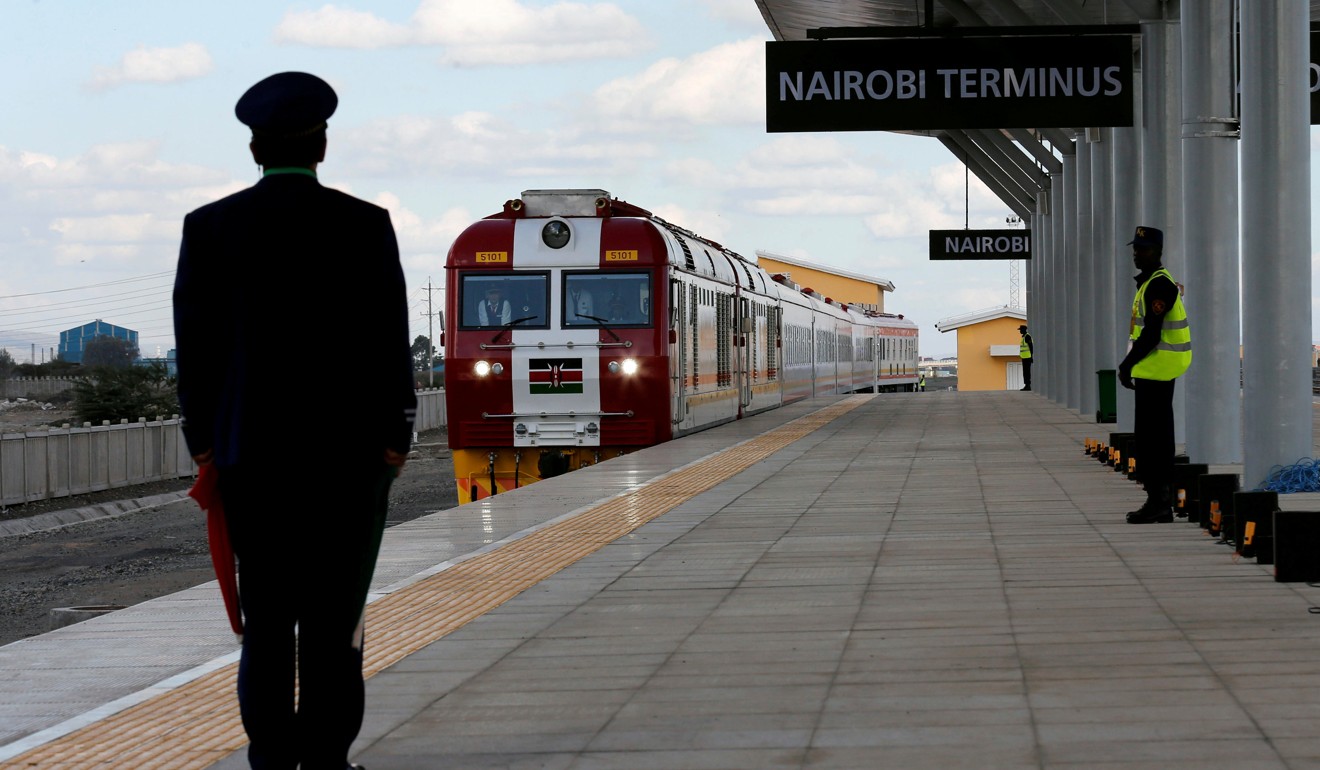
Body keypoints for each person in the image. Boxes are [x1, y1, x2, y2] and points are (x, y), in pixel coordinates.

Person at [173, 71, 416, 770]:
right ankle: (328, 760)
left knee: (269, 621)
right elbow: (388, 340)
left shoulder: (209, 227)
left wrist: (204, 445)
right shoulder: (365, 225)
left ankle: (272, 761)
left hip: (251, 459)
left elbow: (197, 353)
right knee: (334, 623)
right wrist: (396, 436)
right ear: (323, 145)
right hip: (345, 462)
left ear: (253, 147)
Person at [1118, 225, 1191, 524]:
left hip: (1158, 368)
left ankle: (1159, 502)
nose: (1137, 253)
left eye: (1143, 249)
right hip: (1152, 368)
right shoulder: (1149, 284)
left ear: (1158, 252)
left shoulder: (1160, 285)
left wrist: (1126, 365)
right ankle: (1159, 501)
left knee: (1155, 439)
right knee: (1152, 437)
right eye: (1135, 248)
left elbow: (1151, 334)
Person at [1018, 324, 1034, 391]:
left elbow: (1031, 347)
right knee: (1025, 372)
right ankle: (1026, 385)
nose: (1020, 331)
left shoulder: (1027, 337)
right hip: (1024, 357)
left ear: (1024, 330)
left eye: (1021, 330)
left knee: (1027, 372)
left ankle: (1028, 385)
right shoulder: (1024, 337)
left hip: (1027, 357)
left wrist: (1031, 357)